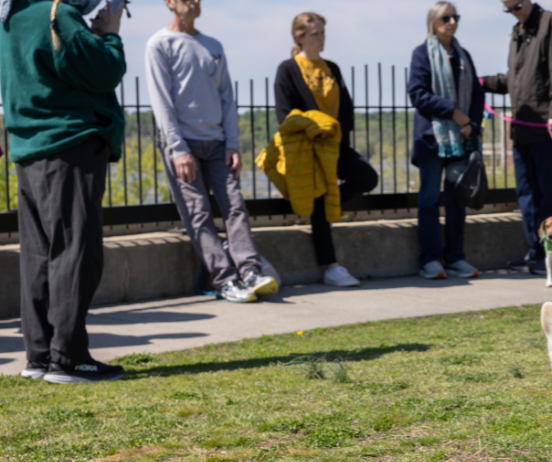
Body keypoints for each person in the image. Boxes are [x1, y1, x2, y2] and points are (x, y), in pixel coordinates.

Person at [0, 0, 127, 382]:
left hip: (30, 149)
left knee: (39, 256)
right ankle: (69, 358)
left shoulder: (11, 17)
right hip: (68, 144)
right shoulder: (58, 13)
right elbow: (104, 73)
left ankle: (40, 356)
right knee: (75, 250)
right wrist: (111, 34)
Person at [146, 0, 278, 304]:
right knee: (198, 214)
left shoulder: (212, 45)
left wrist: (232, 142)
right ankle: (226, 280)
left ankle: (250, 272)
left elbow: (227, 97)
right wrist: (178, 149)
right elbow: (161, 101)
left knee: (235, 207)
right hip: (182, 145)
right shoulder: (159, 43)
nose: (194, 2)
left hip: (218, 143)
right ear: (169, 3)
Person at [274, 12, 379, 287]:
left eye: (323, 33)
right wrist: (314, 129)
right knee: (322, 196)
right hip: (310, 149)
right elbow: (286, 115)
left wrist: (342, 138)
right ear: (299, 37)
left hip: (337, 146)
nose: (321, 38)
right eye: (315, 34)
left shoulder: (331, 66)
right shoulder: (288, 69)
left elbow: (346, 106)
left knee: (367, 177)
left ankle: (322, 207)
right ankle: (331, 267)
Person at [482, 0, 552, 276]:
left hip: (547, 129)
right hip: (521, 131)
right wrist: (480, 83)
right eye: (508, 8)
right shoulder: (516, 32)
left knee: (549, 196)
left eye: (517, 5)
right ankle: (537, 251)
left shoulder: (550, 23)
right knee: (526, 195)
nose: (514, 11)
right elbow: (514, 79)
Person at [407, 2, 484, 280]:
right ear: (433, 22)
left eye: (455, 17)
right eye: (445, 18)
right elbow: (417, 94)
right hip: (432, 139)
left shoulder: (464, 55)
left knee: (456, 200)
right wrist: (454, 112)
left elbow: (477, 94)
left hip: (460, 140)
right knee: (429, 199)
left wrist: (470, 124)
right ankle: (430, 259)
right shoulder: (422, 54)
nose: (452, 22)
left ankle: (455, 257)